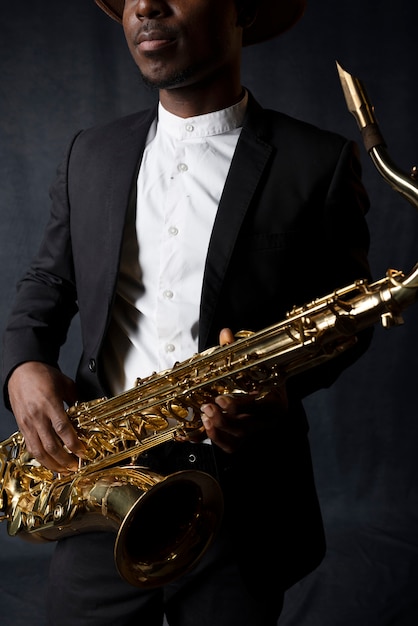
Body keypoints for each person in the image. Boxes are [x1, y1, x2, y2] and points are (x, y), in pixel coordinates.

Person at [1, 0, 374, 624]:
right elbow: (48, 277)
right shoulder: (88, 153)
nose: (145, 5)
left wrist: (279, 390)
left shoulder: (319, 161)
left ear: (242, 10)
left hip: (245, 495)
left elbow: (349, 320)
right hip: (101, 478)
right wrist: (23, 364)